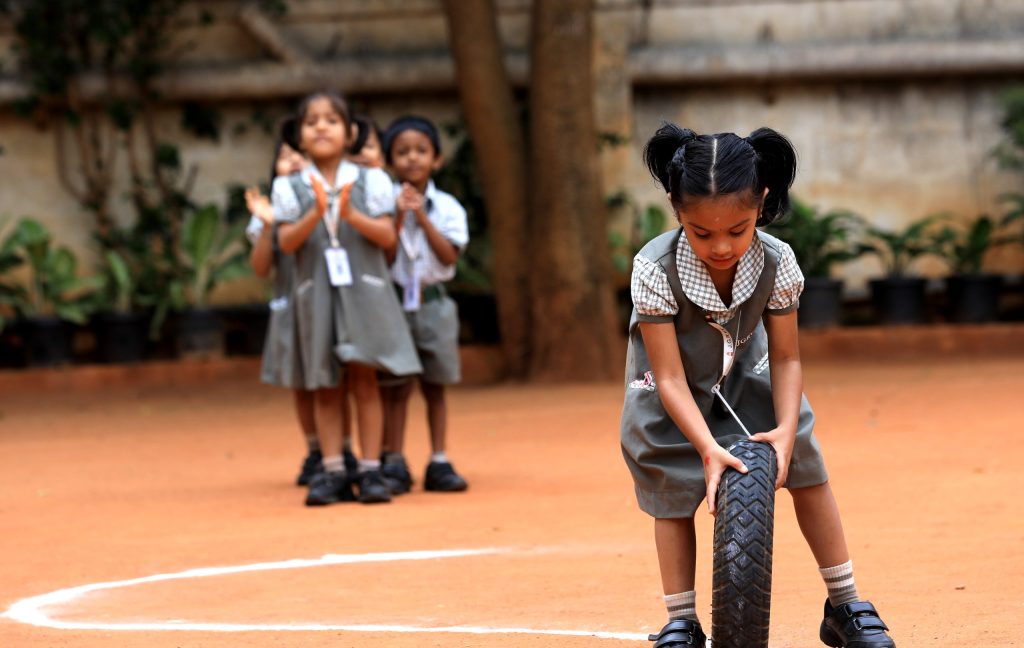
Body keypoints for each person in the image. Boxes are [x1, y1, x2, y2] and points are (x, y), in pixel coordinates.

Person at [621, 124, 896, 648]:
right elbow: (671, 376)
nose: (722, 246)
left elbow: (788, 358)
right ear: (676, 209)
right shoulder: (653, 269)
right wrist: (706, 448)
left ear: (762, 202)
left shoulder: (776, 260)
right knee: (671, 482)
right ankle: (681, 620)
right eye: (702, 233)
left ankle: (845, 604)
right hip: (671, 390)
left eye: (738, 229)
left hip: (749, 373)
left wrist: (787, 431)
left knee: (807, 464)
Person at [274, 90, 422, 506]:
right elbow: (286, 242)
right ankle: (334, 468)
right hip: (315, 294)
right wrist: (315, 212)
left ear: (350, 133)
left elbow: (387, 236)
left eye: (331, 120)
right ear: (299, 136)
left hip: (364, 292)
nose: (321, 127)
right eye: (311, 122)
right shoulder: (289, 185)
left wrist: (351, 214)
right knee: (325, 382)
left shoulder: (372, 180)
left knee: (364, 378)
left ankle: (371, 469)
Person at [245, 119, 357, 487]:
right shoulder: (272, 209)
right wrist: (267, 226)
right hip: (292, 306)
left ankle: (343, 448)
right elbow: (261, 267)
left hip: (331, 299)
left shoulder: (332, 201)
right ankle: (314, 450)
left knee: (337, 378)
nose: (293, 161)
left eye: (299, 155)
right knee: (302, 380)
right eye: (284, 156)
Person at [377, 115, 469, 494]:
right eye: (402, 152)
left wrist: (421, 216)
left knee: (435, 385)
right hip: (393, 305)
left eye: (421, 150)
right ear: (389, 161)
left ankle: (439, 459)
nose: (412, 158)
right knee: (394, 387)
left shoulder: (447, 207)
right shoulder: (382, 206)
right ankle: (394, 459)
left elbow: (448, 257)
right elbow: (382, 258)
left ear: (436, 159)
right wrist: (399, 216)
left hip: (433, 304)